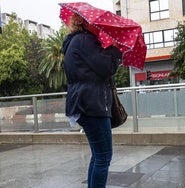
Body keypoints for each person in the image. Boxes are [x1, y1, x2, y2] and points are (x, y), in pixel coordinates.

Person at [61, 13, 122, 188]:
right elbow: (107, 68)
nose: (99, 25)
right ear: (84, 22)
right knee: (103, 157)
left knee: (98, 156)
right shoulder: (85, 40)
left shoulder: (76, 41)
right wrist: (114, 47)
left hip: (84, 102)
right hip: (91, 104)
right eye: (95, 22)